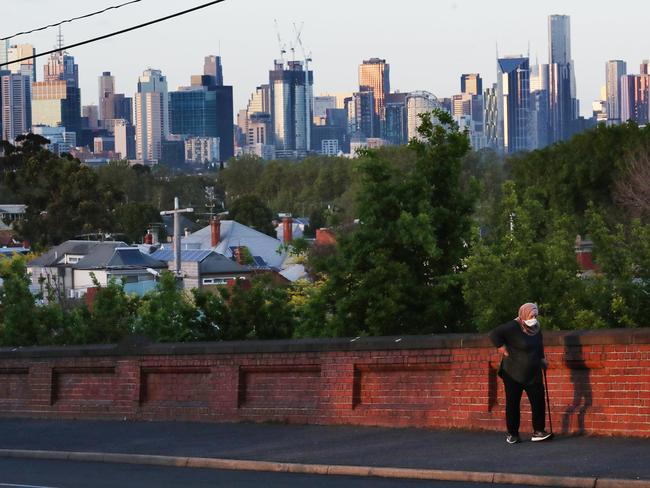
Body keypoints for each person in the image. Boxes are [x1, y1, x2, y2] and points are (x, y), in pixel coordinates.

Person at [489, 302, 552, 444]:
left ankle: (538, 431)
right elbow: (494, 334)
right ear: (524, 314)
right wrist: (501, 347)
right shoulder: (512, 327)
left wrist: (542, 359)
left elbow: (539, 344)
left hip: (533, 371)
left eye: (536, 315)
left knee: (538, 401)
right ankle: (512, 434)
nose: (534, 318)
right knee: (513, 403)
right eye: (531, 315)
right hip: (513, 372)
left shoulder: (536, 327)